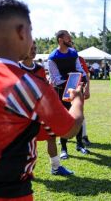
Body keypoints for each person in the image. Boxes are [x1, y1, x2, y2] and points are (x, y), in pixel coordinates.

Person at [0, 0, 84, 200]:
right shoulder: (27, 86)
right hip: (3, 192)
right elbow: (69, 128)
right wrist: (77, 100)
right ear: (21, 31)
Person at [19, 41, 73, 176]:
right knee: (23, 143)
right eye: (30, 48)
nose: (33, 50)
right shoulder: (16, 68)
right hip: (24, 113)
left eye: (35, 48)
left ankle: (56, 167)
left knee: (51, 136)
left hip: (41, 111)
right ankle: (23, 171)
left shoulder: (40, 69)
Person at [48, 30, 90, 159]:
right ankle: (64, 148)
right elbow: (55, 78)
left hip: (77, 89)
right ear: (60, 39)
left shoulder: (73, 53)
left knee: (79, 116)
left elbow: (79, 69)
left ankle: (80, 144)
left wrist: (83, 78)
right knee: (64, 118)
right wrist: (70, 81)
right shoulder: (53, 57)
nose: (70, 39)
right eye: (68, 38)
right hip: (62, 91)